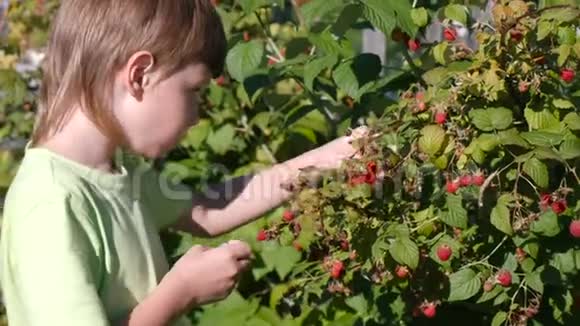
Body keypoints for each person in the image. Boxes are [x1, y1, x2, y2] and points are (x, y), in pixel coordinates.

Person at [0, 1, 366, 325]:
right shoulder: (49, 204)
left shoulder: (112, 170)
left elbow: (206, 211)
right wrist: (181, 293)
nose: (197, 114)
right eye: (194, 91)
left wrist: (335, 156)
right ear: (140, 75)